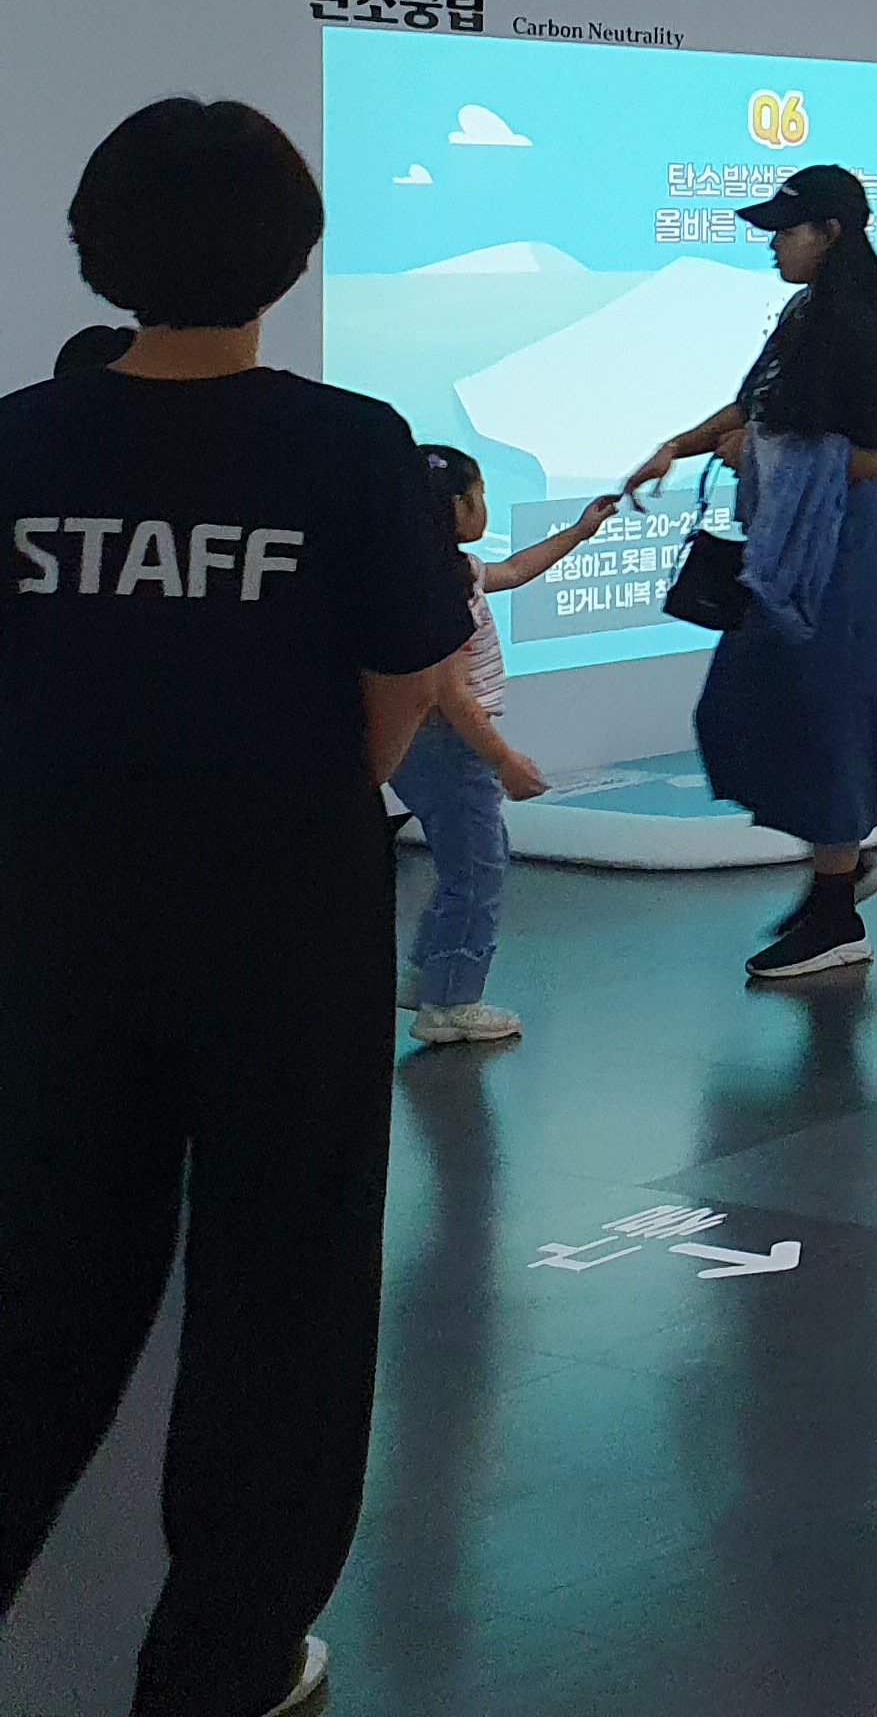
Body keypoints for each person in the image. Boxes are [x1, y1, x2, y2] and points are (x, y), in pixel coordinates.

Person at [0, 98, 473, 1717]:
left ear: (95, 245)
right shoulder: (349, 445)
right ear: (293, 252)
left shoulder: (19, 440)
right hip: (285, 914)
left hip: (52, 912)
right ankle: (222, 1659)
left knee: (40, 1271)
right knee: (287, 1281)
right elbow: (401, 676)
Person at [622, 160, 877, 983]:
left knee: (829, 717)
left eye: (785, 230)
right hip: (799, 548)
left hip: (845, 552)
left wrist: (762, 455)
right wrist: (677, 446)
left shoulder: (856, 326)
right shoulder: (806, 315)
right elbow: (754, 407)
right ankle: (840, 868)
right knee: (749, 707)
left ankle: (835, 910)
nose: (772, 245)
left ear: (830, 233)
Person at [386, 449, 612, 1046]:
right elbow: (453, 695)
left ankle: (427, 974)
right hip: (452, 745)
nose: (484, 505)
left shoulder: (435, 571)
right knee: (478, 872)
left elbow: (513, 570)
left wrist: (580, 531)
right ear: (459, 505)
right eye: (480, 494)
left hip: (423, 745)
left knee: (462, 862)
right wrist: (505, 761)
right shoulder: (440, 588)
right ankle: (452, 1003)